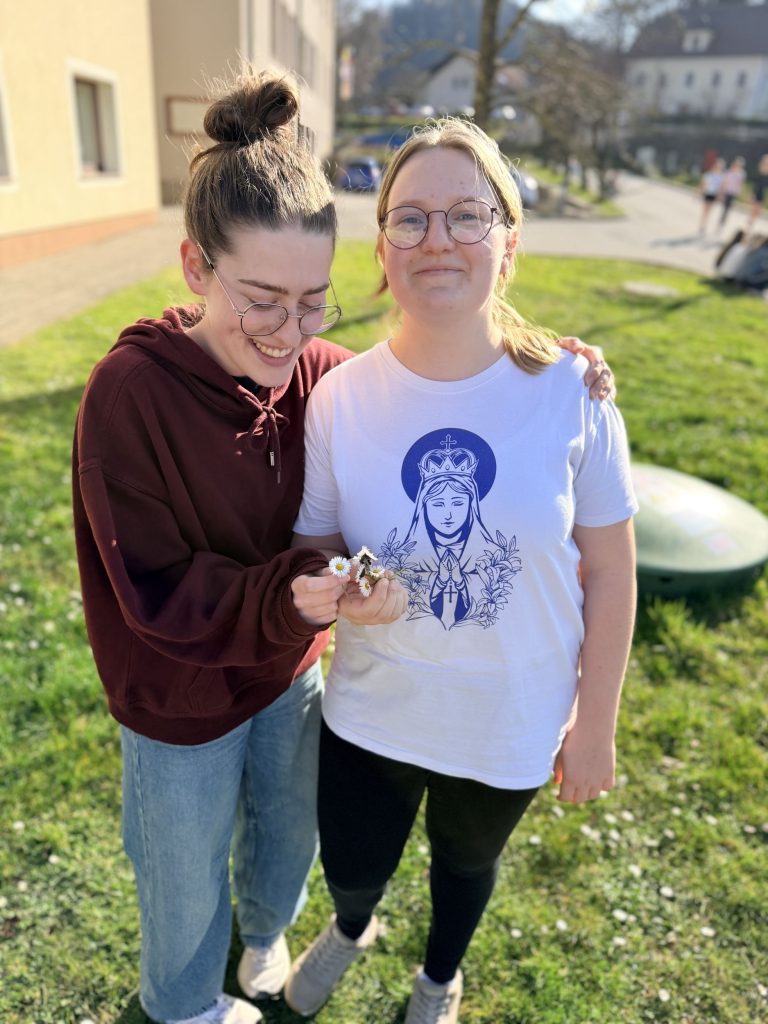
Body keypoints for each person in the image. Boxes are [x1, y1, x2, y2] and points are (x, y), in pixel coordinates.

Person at [71, 70, 613, 1024]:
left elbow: (430, 396)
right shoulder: (130, 394)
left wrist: (556, 361)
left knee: (286, 836)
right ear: (195, 265)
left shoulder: (320, 374)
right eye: (262, 300)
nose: (288, 334)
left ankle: (265, 932)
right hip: (179, 697)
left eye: (312, 302)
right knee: (182, 867)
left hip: (288, 678)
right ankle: (184, 1003)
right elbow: (151, 585)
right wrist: (297, 594)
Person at [287, 117, 638, 1024]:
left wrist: (595, 723)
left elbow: (611, 569)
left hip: (510, 719)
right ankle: (352, 925)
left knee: (466, 865)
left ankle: (439, 977)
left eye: (466, 215)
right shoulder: (339, 399)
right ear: (381, 247)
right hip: (373, 709)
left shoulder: (573, 393)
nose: (436, 238)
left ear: (508, 244)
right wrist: (337, 587)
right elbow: (315, 545)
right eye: (409, 218)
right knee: (353, 861)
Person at [699, 156, 725, 236]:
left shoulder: (721, 177)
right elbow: (703, 184)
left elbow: (721, 188)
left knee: (709, 211)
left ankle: (704, 225)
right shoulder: (709, 174)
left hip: (714, 195)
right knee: (705, 211)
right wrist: (700, 192)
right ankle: (702, 224)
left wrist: (720, 196)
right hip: (707, 193)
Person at [717, 156, 746, 230]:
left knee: (728, 208)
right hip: (727, 191)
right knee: (725, 207)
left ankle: (722, 222)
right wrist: (722, 192)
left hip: (733, 193)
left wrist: (739, 192)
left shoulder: (741, 174)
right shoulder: (729, 172)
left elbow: (740, 184)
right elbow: (724, 182)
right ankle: (721, 221)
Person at [746, 152, 768, 234]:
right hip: (756, 194)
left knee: (757, 213)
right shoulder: (760, 171)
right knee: (753, 212)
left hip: (762, 195)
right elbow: (755, 184)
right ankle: (748, 229)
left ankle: (750, 226)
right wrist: (751, 194)